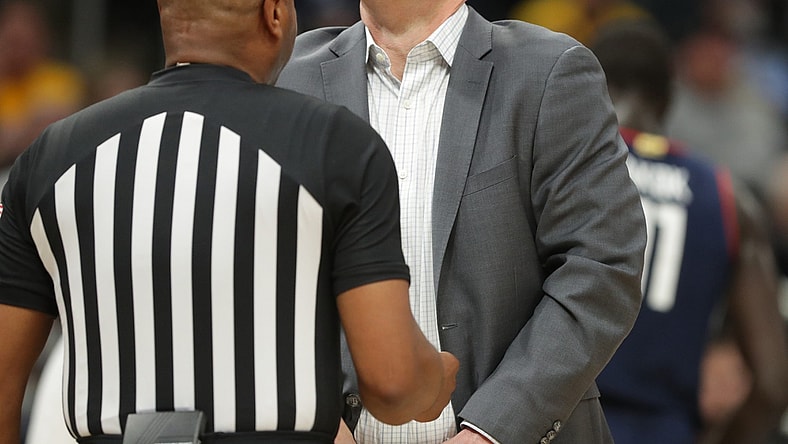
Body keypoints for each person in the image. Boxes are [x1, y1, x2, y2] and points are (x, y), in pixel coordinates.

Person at [0, 0, 460, 443]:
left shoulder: (49, 161)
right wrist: (435, 377)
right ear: (274, 12)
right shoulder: (336, 145)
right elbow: (393, 385)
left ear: (164, 11)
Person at [277, 1, 647, 443]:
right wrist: (314, 417)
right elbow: (252, 278)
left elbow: (601, 268)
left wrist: (490, 431)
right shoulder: (287, 76)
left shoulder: (549, 71)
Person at [590, 21, 788, 444]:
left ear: (587, 88)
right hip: (666, 430)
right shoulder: (730, 198)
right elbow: (773, 384)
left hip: (563, 423)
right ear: (669, 99)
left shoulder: (567, 170)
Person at [0, 1, 85, 190]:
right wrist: (30, 123)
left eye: (23, 41)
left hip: (44, 182)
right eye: (11, 41)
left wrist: (12, 131)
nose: (17, 50)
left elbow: (57, 139)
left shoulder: (60, 79)